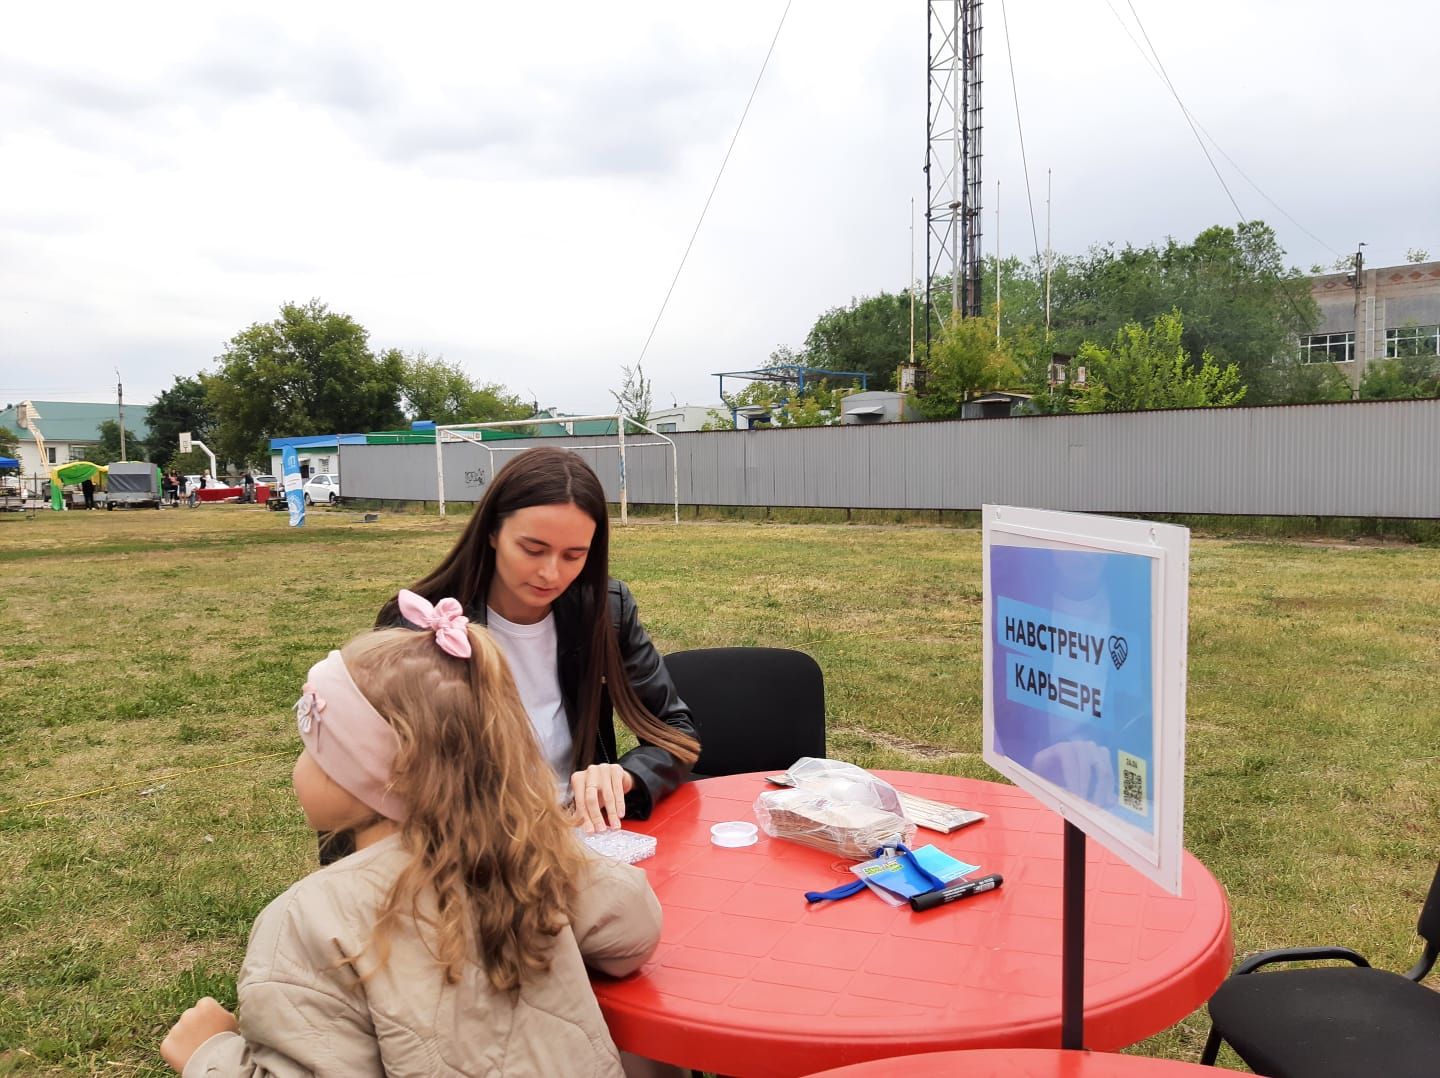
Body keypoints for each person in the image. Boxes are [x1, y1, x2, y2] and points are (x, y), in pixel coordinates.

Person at [159, 597, 663, 1076]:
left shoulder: (309, 922)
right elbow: (634, 929)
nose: (300, 764)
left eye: (313, 750)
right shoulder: (531, 859)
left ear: (366, 776)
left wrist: (210, 1052)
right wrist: (551, 843)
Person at [375, 446, 699, 837]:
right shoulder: (420, 621)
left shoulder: (605, 610)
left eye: (574, 555)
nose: (551, 573)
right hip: (468, 847)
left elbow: (675, 729)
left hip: (582, 835)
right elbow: (373, 770)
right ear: (493, 531)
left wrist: (628, 776)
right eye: (533, 549)